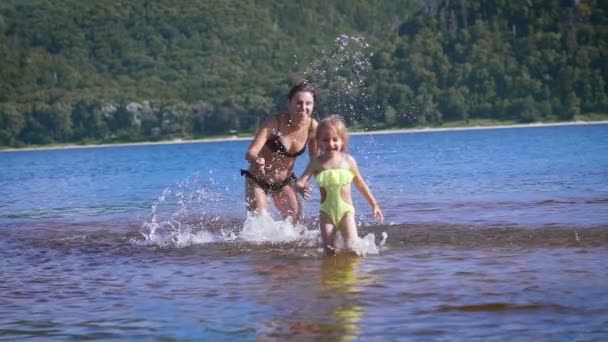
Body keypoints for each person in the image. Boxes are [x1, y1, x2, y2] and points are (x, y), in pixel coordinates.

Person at [295, 115, 383, 255]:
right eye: (325, 140)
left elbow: (360, 184)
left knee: (352, 249)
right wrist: (300, 187)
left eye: (335, 139)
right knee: (328, 249)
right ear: (318, 142)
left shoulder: (349, 161)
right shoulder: (316, 163)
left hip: (346, 211)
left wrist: (374, 204)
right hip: (326, 212)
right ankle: (329, 275)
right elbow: (300, 182)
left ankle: (351, 275)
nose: (331, 144)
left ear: (342, 141)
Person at [242, 82, 319, 222]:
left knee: (296, 224)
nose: (303, 108)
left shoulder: (313, 127)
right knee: (260, 222)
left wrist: (302, 182)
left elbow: (315, 161)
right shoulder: (274, 122)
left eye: (308, 103)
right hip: (258, 179)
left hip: (284, 182)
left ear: (313, 106)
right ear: (289, 103)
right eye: (299, 103)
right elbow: (250, 152)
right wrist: (257, 160)